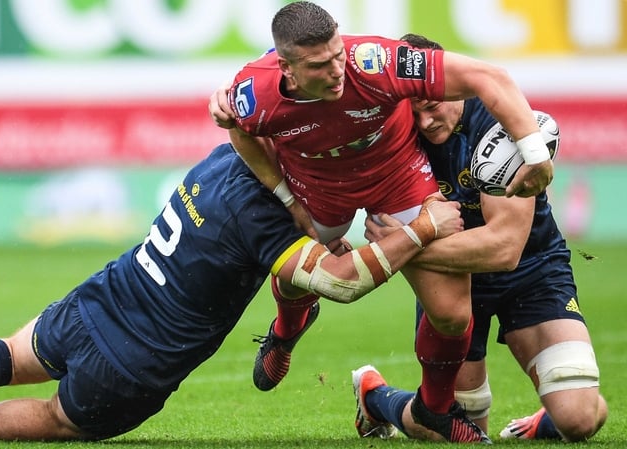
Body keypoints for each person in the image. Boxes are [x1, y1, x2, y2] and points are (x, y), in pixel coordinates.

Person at [0, 142, 463, 443]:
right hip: (132, 364)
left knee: (8, 353)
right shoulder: (267, 225)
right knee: (55, 417)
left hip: (103, 296)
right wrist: (425, 228)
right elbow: (337, 282)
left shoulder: (222, 158)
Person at [209, 1, 552, 443]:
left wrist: (537, 155)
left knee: (451, 314)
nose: (337, 70)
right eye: (320, 65)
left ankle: (436, 410)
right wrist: (285, 199)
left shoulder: (375, 62)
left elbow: (491, 78)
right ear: (287, 68)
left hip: (399, 179)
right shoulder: (254, 94)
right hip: (316, 188)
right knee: (296, 279)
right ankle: (286, 329)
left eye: (337, 53)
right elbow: (240, 130)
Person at [352, 33, 607, 443]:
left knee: (578, 418)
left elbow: (503, 248)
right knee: (458, 430)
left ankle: (549, 413)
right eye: (412, 114)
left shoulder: (497, 120)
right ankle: (375, 397)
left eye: (431, 107)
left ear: (446, 86)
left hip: (532, 268)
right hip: (455, 281)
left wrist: (401, 247)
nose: (424, 123)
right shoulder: (396, 138)